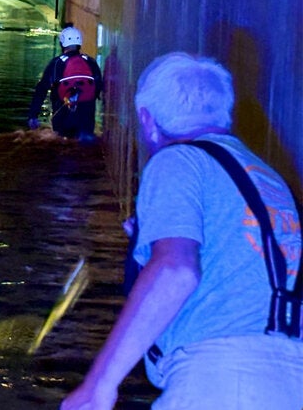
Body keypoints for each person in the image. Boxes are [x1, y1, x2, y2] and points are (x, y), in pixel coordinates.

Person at [61, 52, 303, 410]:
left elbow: (176, 270)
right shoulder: (266, 176)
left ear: (147, 119)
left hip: (221, 379)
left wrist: (100, 384)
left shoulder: (177, 160)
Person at [27, 25, 103, 140]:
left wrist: (33, 115)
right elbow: (98, 87)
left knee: (62, 144)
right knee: (85, 144)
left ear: (62, 43)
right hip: (86, 116)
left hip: (63, 115)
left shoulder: (56, 63)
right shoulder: (91, 62)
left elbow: (41, 90)